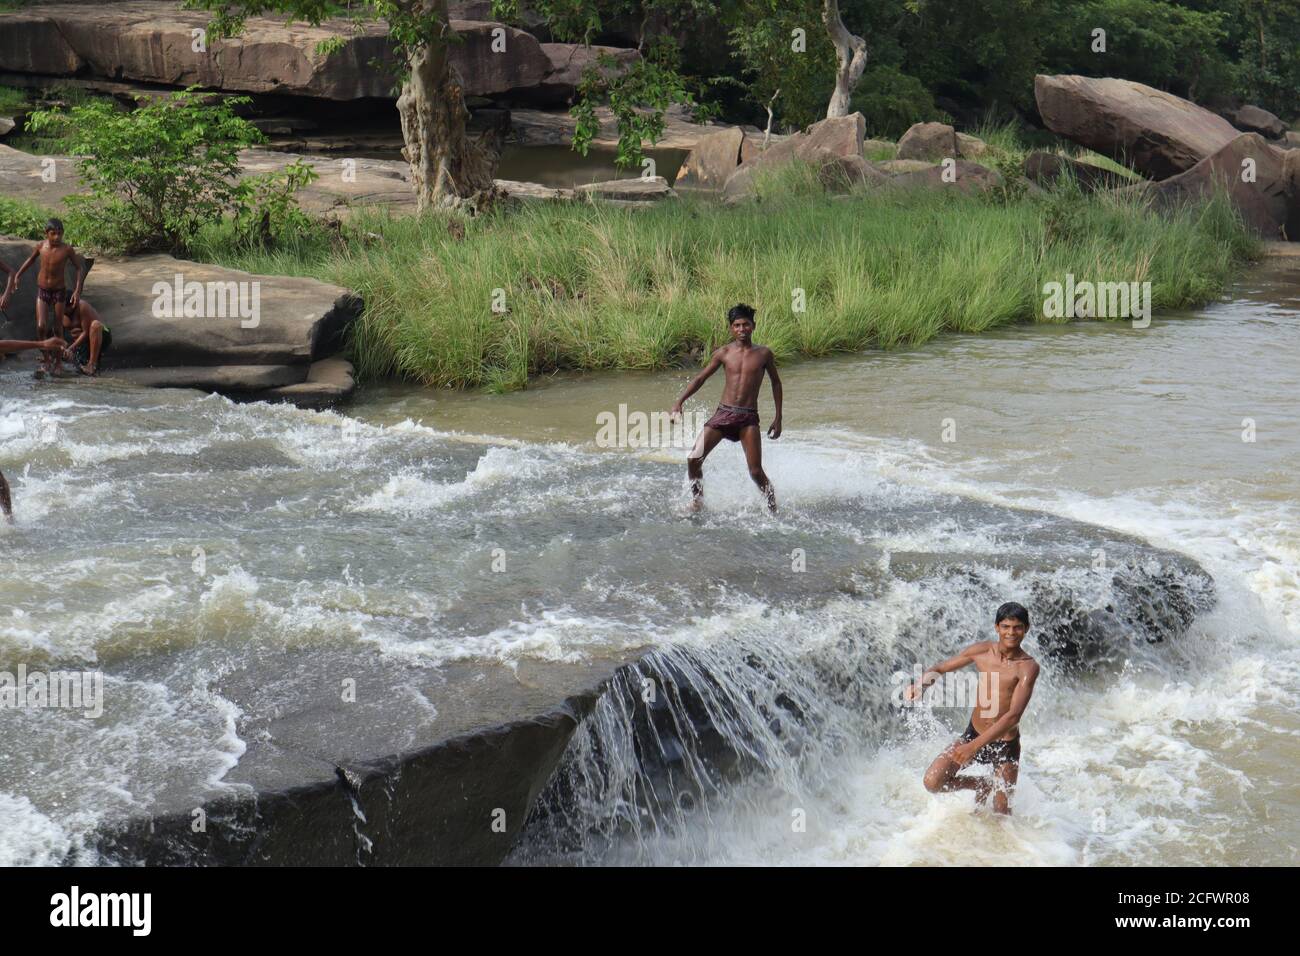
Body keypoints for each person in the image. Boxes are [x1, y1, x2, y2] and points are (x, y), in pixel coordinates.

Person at [907, 602, 1040, 815]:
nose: (1011, 632)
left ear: (1026, 629)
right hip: (973, 734)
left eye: (1017, 627)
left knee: (1001, 814)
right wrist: (922, 684)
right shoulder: (981, 651)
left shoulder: (1028, 667)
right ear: (997, 627)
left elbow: (1013, 716)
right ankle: (981, 784)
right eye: (1005, 626)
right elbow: (941, 667)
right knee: (933, 782)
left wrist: (974, 747)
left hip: (1005, 746)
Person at [670, 304, 783, 512]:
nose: (742, 329)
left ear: (753, 326)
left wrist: (778, 418)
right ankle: (698, 501)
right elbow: (701, 378)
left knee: (756, 472)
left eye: (746, 325)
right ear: (731, 328)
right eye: (737, 325)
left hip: (748, 420)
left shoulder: (764, 354)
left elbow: (776, 383)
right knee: (694, 459)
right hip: (723, 416)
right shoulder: (723, 353)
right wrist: (679, 402)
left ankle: (773, 508)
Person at [10, 219, 89, 375]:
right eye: (53, 234)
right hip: (43, 291)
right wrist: (18, 274)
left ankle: (58, 363)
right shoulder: (41, 246)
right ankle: (46, 359)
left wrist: (77, 290)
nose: (57, 237)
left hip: (59, 292)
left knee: (58, 328)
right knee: (41, 326)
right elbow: (30, 260)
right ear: (46, 233)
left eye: (60, 234)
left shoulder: (66, 249)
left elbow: (79, 268)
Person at [60, 294, 112, 376]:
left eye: (64, 308)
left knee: (95, 324)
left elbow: (85, 332)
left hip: (99, 335)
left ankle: (92, 364)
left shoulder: (82, 306)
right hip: (81, 345)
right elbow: (58, 333)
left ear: (72, 305)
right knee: (79, 368)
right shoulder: (60, 313)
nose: (62, 311)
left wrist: (71, 348)